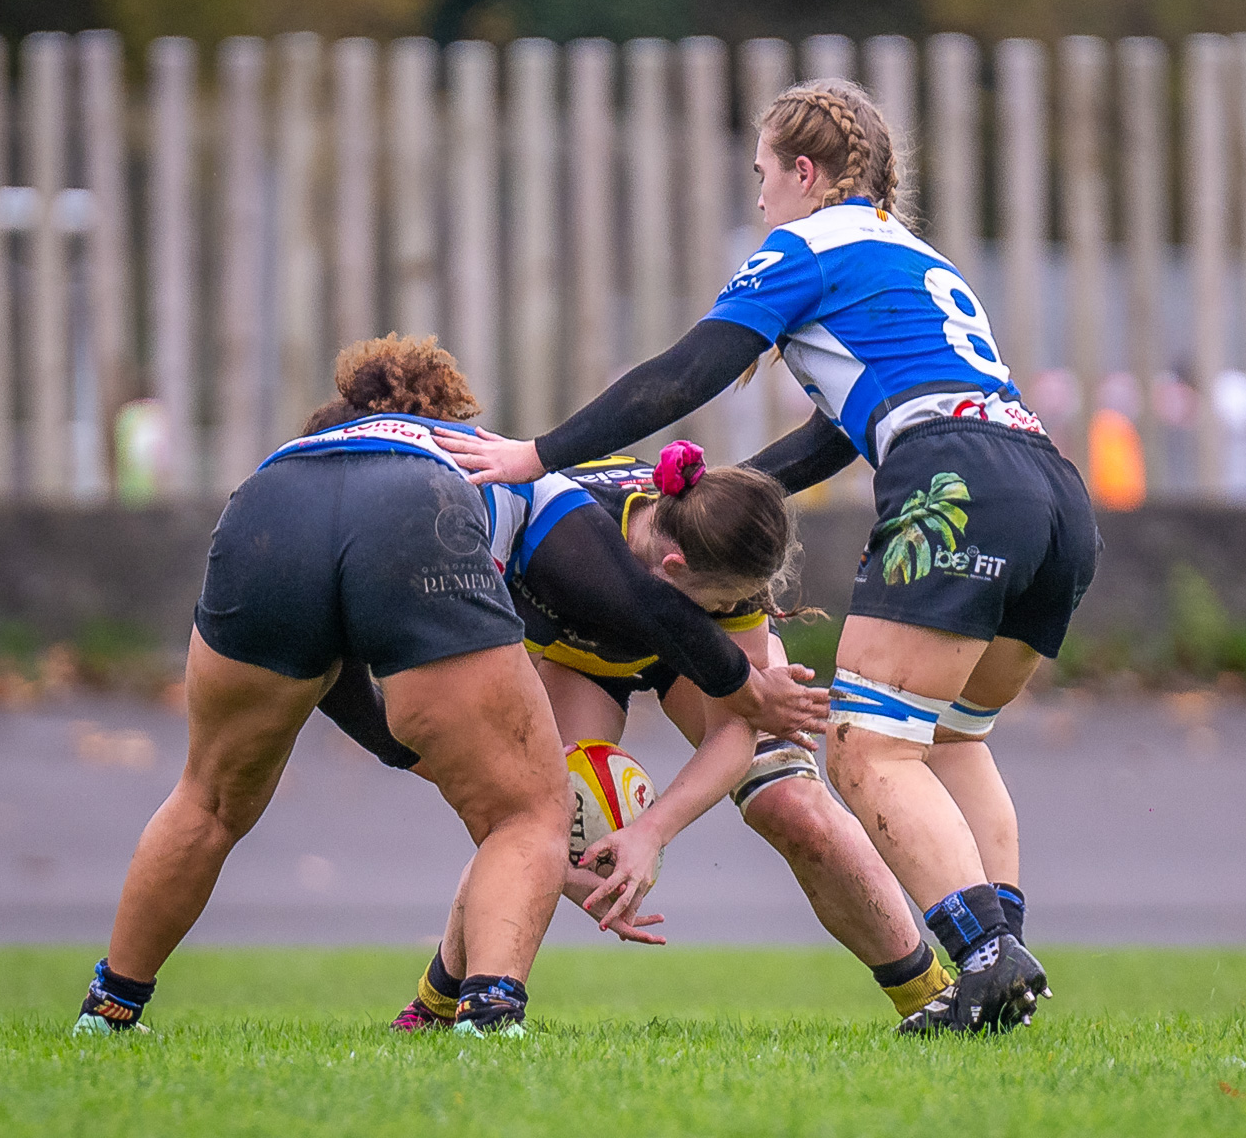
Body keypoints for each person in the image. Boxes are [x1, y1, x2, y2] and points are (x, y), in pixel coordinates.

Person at [434, 80, 1100, 1033]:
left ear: (804, 172)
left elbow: (684, 373)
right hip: (1051, 488)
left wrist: (538, 454)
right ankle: (999, 978)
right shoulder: (914, 257)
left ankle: (987, 955)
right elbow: (840, 432)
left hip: (957, 481)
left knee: (868, 746)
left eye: (762, 175)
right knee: (950, 739)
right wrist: (727, 493)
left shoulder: (806, 247)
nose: (758, 199)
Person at [317, 442, 948, 1029]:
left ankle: (933, 996)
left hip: (694, 660)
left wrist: (651, 833)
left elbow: (736, 724)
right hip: (578, 660)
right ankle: (437, 1004)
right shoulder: (556, 537)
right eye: (716, 604)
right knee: (533, 815)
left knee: (792, 803)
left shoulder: (719, 542)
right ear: (673, 569)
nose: (725, 611)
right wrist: (567, 863)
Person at [74, 335, 576, 1038]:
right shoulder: (456, 455)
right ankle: (489, 1018)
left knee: (208, 798)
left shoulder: (304, 452)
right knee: (526, 813)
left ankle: (108, 1012)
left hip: (266, 509)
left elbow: (325, 671)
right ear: (444, 416)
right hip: (412, 511)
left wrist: (402, 749)